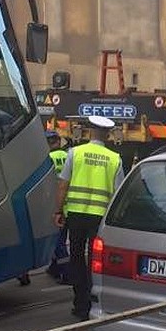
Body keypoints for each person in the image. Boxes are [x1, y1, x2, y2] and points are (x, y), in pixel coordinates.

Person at [54, 116, 124, 320]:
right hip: (99, 218)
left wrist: (58, 211)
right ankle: (93, 300)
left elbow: (62, 185)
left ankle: (80, 302)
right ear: (108, 135)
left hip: (75, 214)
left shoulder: (75, 153)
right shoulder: (114, 158)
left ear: (90, 133)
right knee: (95, 261)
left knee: (76, 257)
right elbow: (117, 192)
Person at [45, 130, 70, 283]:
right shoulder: (68, 157)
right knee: (60, 238)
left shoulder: (48, 158)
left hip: (55, 206)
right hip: (69, 206)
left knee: (58, 242)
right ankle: (54, 268)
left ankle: (66, 273)